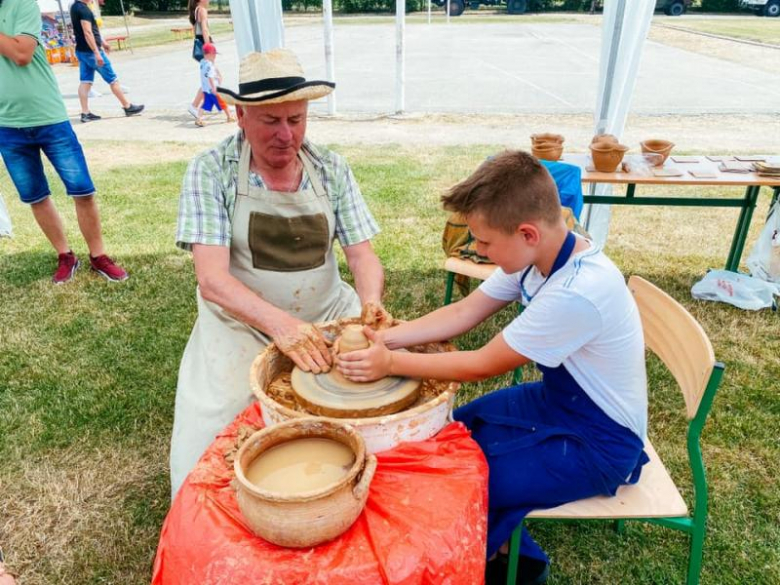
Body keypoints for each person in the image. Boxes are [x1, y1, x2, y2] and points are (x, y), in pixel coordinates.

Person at [337, 151, 649, 584]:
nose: (477, 251)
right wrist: (386, 338)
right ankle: (506, 546)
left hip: (601, 442)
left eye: (483, 243)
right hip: (559, 401)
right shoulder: (539, 255)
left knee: (462, 478)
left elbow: (482, 364)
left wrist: (388, 363)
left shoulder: (577, 292)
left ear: (527, 233)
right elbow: (464, 311)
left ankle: (516, 567)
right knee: (449, 434)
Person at [170, 48, 389, 497]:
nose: (286, 135)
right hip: (240, 321)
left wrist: (370, 304)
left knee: (374, 407)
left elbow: (362, 255)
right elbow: (212, 281)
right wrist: (282, 327)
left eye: (296, 119)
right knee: (218, 433)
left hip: (327, 314)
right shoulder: (211, 171)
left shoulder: (330, 168)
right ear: (240, 116)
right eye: (271, 121)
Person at [0, 0, 128, 283]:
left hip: (48, 117)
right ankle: (65, 255)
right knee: (35, 196)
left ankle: (98, 255)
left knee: (82, 189)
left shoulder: (22, 4)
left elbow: (22, 53)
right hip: (6, 125)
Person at [69, 0, 143, 122]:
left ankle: (85, 113)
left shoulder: (75, 7)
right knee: (113, 79)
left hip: (81, 51)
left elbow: (91, 30)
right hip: (91, 52)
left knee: (85, 82)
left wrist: (103, 42)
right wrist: (97, 53)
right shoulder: (83, 10)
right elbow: (88, 32)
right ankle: (127, 107)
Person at [195, 43, 233, 127]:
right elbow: (210, 77)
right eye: (214, 54)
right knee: (222, 102)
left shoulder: (202, 62)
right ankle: (229, 117)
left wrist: (216, 73)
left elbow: (207, 73)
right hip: (212, 89)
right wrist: (214, 87)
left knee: (205, 104)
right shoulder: (210, 65)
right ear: (209, 54)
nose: (215, 56)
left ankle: (199, 118)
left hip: (205, 89)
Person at [187, 0, 211, 119]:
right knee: (209, 80)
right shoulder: (202, 10)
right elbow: (205, 30)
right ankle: (194, 105)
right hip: (204, 46)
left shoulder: (196, 10)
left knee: (210, 78)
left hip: (200, 45)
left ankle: (216, 105)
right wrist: (208, 47)